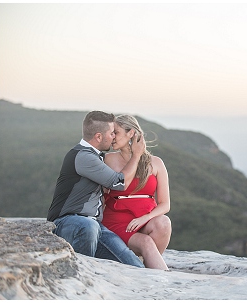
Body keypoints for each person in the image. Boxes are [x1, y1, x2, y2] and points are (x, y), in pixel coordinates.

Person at [47, 110, 147, 267]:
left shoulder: (96, 156)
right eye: (112, 133)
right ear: (98, 137)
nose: (114, 137)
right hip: (67, 222)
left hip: (95, 226)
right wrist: (136, 155)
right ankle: (82, 274)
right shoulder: (83, 156)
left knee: (134, 265)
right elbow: (119, 183)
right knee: (88, 226)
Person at [102, 114, 172, 270]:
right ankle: (164, 282)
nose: (112, 137)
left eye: (116, 132)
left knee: (164, 223)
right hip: (117, 221)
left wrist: (145, 218)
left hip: (145, 219)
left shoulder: (156, 163)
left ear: (131, 133)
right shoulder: (109, 160)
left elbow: (165, 204)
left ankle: (148, 268)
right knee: (146, 242)